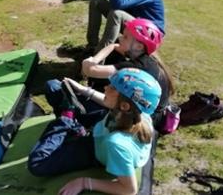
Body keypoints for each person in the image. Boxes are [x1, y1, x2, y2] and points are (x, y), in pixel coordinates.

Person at [28, 68, 161, 195]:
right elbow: (107, 102)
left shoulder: (117, 144)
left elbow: (129, 190)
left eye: (113, 88)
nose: (106, 88)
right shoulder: (139, 113)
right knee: (53, 86)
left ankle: (67, 116)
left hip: (93, 149)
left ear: (124, 105)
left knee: (37, 163)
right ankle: (71, 119)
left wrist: (84, 183)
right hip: (101, 128)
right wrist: (84, 90)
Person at [81, 18, 174, 128]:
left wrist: (90, 60)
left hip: (143, 121)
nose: (120, 38)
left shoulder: (134, 67)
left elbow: (90, 70)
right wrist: (114, 46)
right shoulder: (148, 59)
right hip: (151, 112)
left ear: (139, 46)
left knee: (83, 106)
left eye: (125, 37)